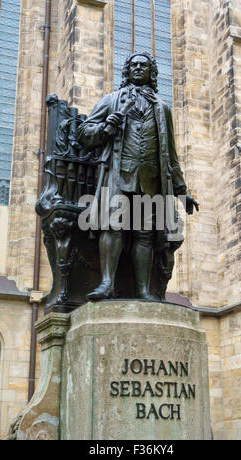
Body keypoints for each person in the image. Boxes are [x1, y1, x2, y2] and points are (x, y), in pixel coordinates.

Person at [78, 52, 198, 301]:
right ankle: (107, 283)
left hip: (150, 181)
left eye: (144, 65)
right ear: (127, 70)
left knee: (146, 234)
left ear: (152, 72)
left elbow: (170, 155)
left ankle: (144, 290)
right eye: (134, 65)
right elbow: (84, 133)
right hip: (118, 175)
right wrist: (106, 126)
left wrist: (182, 191)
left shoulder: (162, 108)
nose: (139, 68)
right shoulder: (111, 101)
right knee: (112, 226)